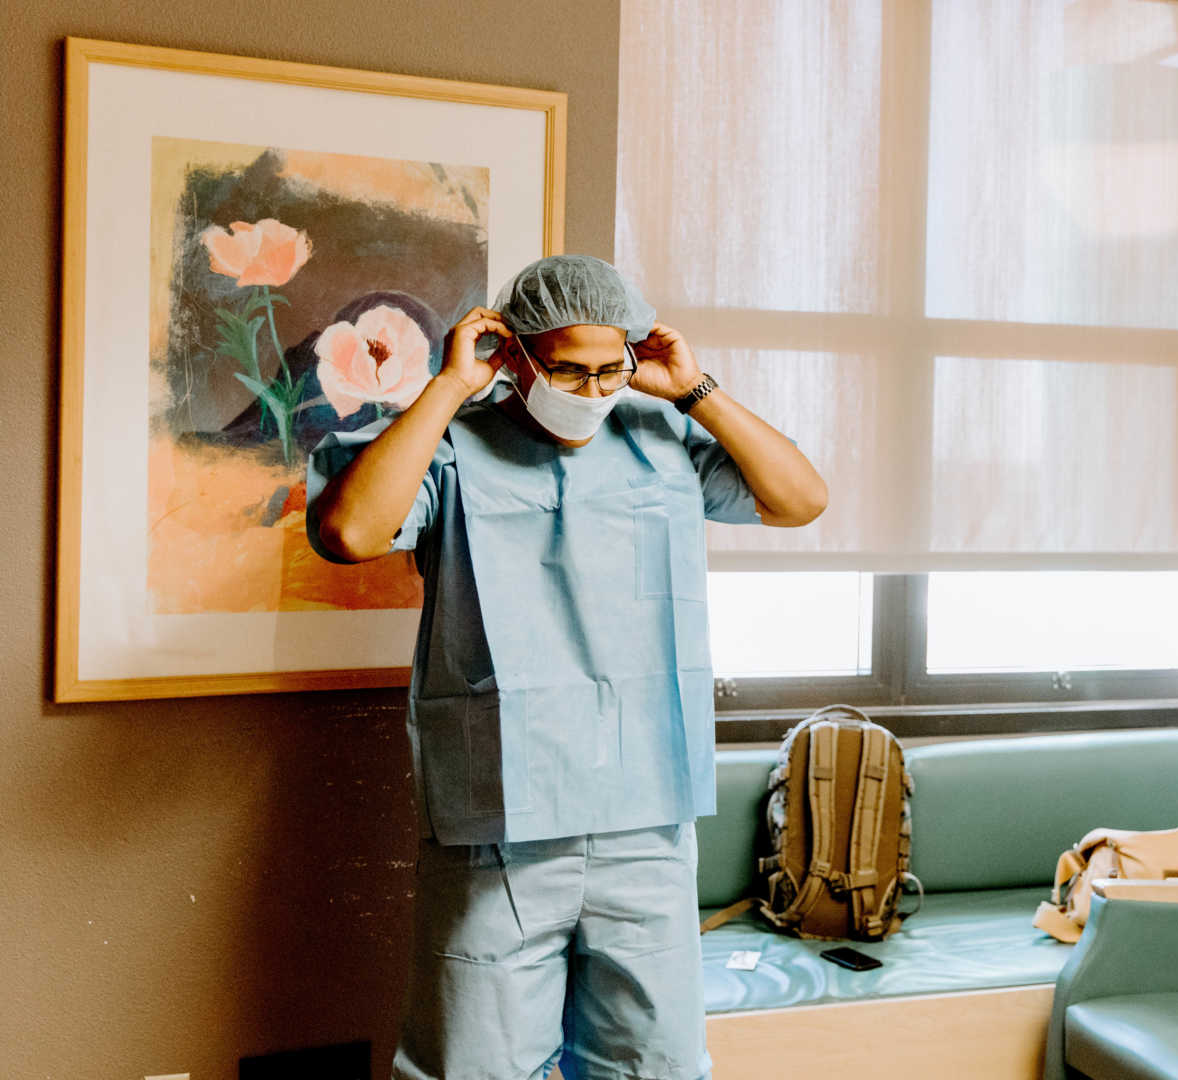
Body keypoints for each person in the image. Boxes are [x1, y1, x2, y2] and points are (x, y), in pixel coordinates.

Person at [305, 254, 827, 1080]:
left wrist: (694, 390)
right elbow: (352, 534)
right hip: (500, 821)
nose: (590, 391)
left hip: (645, 819)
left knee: (651, 1066)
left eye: (607, 369)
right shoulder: (450, 448)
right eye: (566, 370)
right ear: (514, 358)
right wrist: (445, 391)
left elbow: (801, 499)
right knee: (474, 1066)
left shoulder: (666, 440)